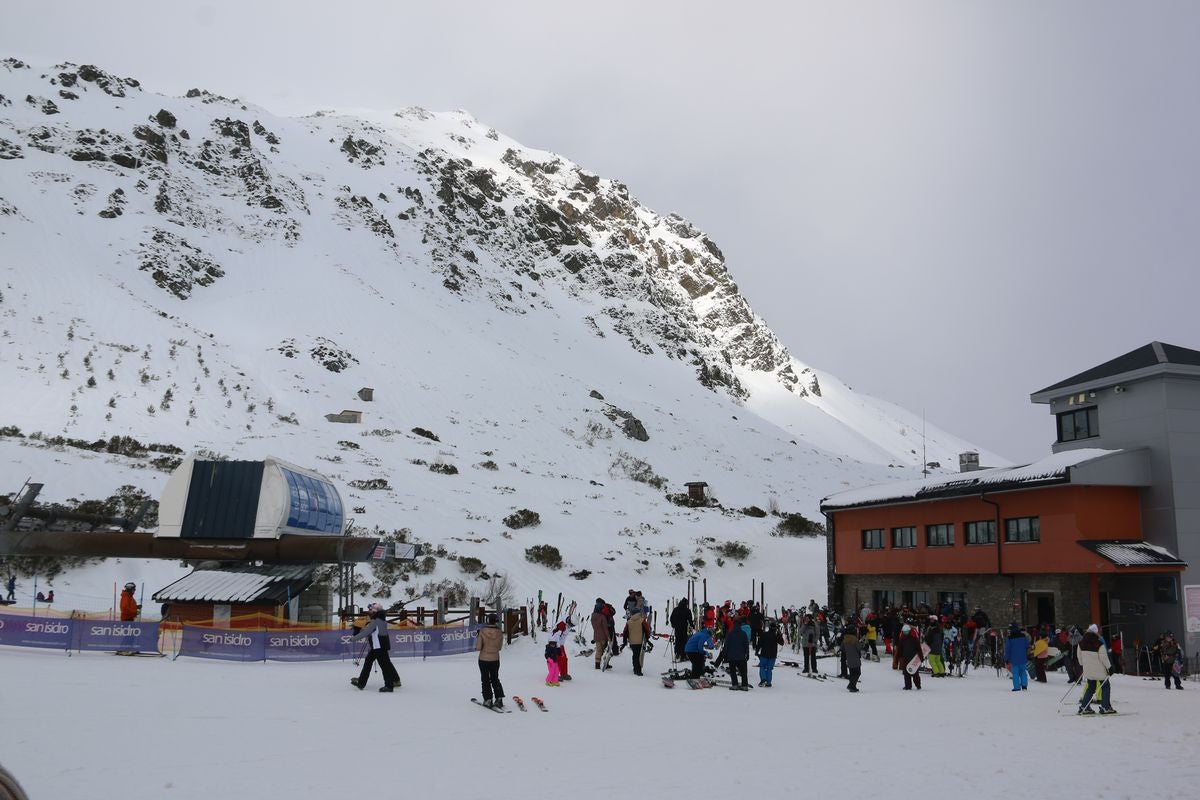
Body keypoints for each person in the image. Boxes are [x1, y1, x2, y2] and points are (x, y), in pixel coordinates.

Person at [350, 603, 401, 692]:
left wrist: (353, 639)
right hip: (377, 647)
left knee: (384, 666)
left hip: (379, 647)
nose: (369, 612)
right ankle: (361, 683)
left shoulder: (376, 621)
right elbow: (371, 631)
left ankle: (389, 686)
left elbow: (366, 632)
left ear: (375, 611)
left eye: (371, 610)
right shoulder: (379, 619)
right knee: (369, 663)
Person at [1076, 623, 1114, 714]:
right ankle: (1106, 707)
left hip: (1088, 670)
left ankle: (1084, 707)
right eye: (1099, 631)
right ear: (1096, 632)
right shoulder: (1099, 644)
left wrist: (1083, 665)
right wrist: (1110, 667)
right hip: (1100, 670)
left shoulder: (1081, 643)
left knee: (1090, 687)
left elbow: (1079, 657)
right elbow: (1104, 658)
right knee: (1105, 686)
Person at [713, 613, 750, 690]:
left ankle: (735, 685)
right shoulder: (743, 634)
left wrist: (720, 659)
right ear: (740, 624)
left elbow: (726, 647)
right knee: (743, 672)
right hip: (741, 656)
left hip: (732, 656)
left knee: (733, 672)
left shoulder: (730, 634)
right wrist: (747, 654)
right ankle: (744, 685)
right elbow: (746, 645)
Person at [475, 613, 505, 707]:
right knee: (495, 678)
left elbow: (478, 647)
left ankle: (488, 699)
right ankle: (499, 699)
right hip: (495, 659)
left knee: (485, 679)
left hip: (483, 659)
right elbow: (499, 647)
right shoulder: (500, 632)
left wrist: (478, 636)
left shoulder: (482, 631)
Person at [622, 608, 651, 675]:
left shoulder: (629, 621)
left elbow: (625, 632)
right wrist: (647, 638)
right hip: (641, 641)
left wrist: (625, 640)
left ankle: (635, 668)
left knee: (635, 655)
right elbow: (647, 630)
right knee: (639, 656)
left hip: (632, 642)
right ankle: (638, 670)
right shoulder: (642, 620)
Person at [756, 620, 784, 687]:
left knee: (762, 667)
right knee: (769, 669)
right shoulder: (776, 636)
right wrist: (779, 634)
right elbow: (782, 643)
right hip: (773, 655)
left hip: (764, 654)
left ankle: (763, 679)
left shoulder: (764, 634)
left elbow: (759, 644)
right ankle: (768, 682)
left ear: (769, 628)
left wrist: (757, 651)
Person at [1004, 623, 1029, 692]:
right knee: (1023, 672)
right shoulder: (1023, 636)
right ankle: (1024, 686)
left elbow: (1007, 650)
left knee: (1015, 674)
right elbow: (1027, 645)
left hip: (1014, 659)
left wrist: (1006, 659)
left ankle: (1017, 687)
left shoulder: (1010, 638)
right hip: (1023, 657)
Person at [898, 624, 922, 691]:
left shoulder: (914, 639)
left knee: (915, 673)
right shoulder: (902, 639)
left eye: (907, 631)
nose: (905, 633)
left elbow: (919, 648)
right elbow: (900, 648)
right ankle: (908, 686)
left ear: (909, 631)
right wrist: (899, 656)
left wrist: (921, 657)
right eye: (904, 632)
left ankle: (918, 685)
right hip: (905, 657)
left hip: (913, 658)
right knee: (906, 673)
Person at [591, 598, 611, 670]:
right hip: (603, 636)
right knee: (602, 650)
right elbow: (605, 628)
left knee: (598, 650)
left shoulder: (592, 615)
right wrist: (608, 637)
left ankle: (597, 664)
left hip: (596, 635)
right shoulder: (602, 617)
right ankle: (603, 663)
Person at [841, 626, 862, 692]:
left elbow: (842, 648)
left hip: (848, 658)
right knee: (857, 672)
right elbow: (859, 648)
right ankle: (851, 685)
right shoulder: (855, 639)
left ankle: (853, 686)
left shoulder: (845, 639)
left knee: (852, 673)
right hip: (855, 657)